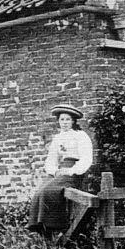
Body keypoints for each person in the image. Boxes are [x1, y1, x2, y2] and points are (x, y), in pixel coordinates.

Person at [27, 103, 94, 240]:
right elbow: (52, 159)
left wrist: (70, 171)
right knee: (39, 192)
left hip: (74, 171)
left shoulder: (80, 136)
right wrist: (54, 170)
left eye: (68, 119)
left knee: (50, 191)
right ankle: (39, 227)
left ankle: (55, 226)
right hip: (60, 170)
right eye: (62, 119)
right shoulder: (58, 138)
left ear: (74, 121)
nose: (64, 123)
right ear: (58, 121)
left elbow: (86, 159)